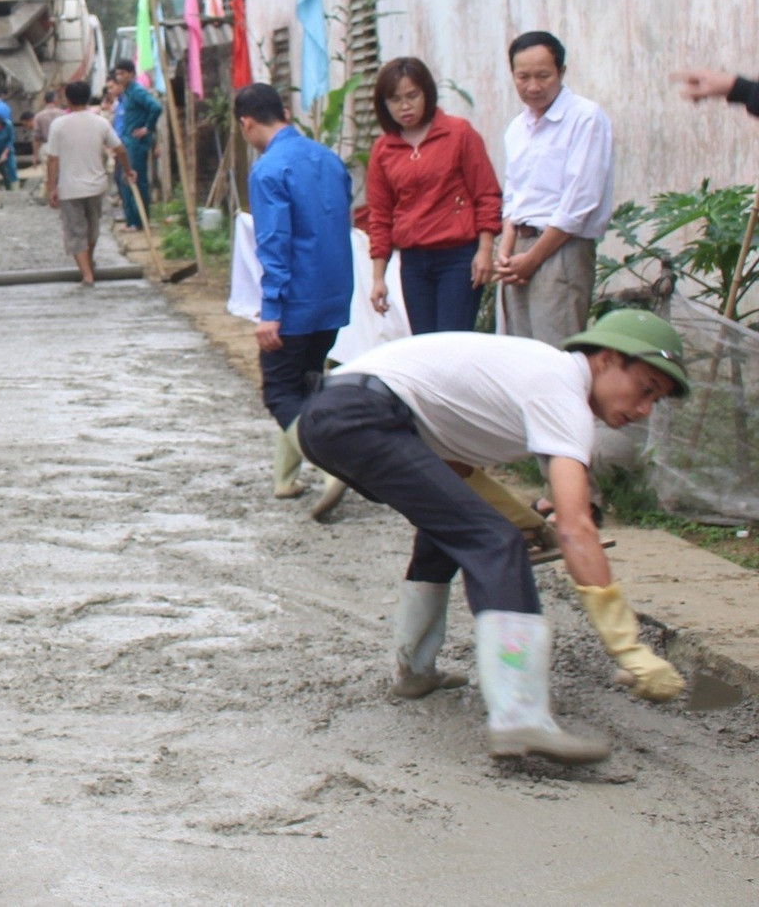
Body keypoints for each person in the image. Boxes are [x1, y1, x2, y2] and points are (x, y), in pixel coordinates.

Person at [294, 311, 689, 764]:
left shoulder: (539, 373)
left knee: (449, 531)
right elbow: (576, 527)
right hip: (360, 417)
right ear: (606, 360)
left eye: (655, 401)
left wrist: (522, 518)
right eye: (645, 390)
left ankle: (415, 669)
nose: (643, 411)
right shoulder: (562, 390)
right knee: (494, 542)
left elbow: (456, 472)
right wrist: (629, 648)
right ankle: (519, 717)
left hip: (334, 415)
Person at [239, 83, 354, 493]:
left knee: (280, 392)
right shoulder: (329, 159)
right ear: (284, 112)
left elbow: (274, 244)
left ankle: (330, 465)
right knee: (307, 384)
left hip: (296, 301)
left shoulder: (268, 169)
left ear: (247, 123)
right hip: (334, 295)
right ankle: (284, 480)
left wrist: (270, 310)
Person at [365, 57, 503, 334]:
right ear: (384, 104)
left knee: (452, 341)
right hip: (414, 262)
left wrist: (485, 250)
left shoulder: (459, 133)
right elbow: (379, 216)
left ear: (427, 93)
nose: (405, 106)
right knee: (424, 345)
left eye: (412, 96)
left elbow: (487, 194)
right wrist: (378, 278)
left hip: (458, 257)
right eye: (395, 99)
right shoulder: (383, 150)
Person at [498, 32, 614, 345]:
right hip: (519, 252)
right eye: (523, 77)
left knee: (556, 352)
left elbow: (579, 201)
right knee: (520, 352)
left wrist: (533, 259)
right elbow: (514, 194)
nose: (532, 86)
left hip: (561, 249)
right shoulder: (517, 128)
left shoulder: (585, 118)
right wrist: (507, 250)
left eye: (543, 76)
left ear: (561, 72)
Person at [44, 79, 130, 286]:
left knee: (75, 231)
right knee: (92, 229)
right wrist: (129, 170)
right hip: (96, 185)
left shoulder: (59, 124)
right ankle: (88, 266)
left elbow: (52, 159)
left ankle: (87, 275)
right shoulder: (100, 122)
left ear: (67, 99)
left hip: (70, 187)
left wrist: (51, 187)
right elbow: (120, 149)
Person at [111, 61, 163, 225]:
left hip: (136, 143)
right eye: (118, 74)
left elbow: (156, 107)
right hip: (128, 141)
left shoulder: (137, 91)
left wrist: (147, 128)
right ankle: (132, 220)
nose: (119, 77)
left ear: (132, 74)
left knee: (134, 180)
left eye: (123, 73)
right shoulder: (127, 93)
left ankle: (138, 221)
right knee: (125, 180)